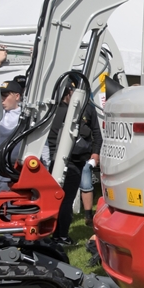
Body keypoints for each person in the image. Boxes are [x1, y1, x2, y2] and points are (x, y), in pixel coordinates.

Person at [46, 85, 102, 243]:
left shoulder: (87, 109)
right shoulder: (57, 111)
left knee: (65, 199)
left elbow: (97, 133)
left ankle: (58, 234)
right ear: (68, 93)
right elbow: (52, 139)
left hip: (78, 161)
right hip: (61, 162)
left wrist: (95, 153)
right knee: (63, 200)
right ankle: (60, 235)